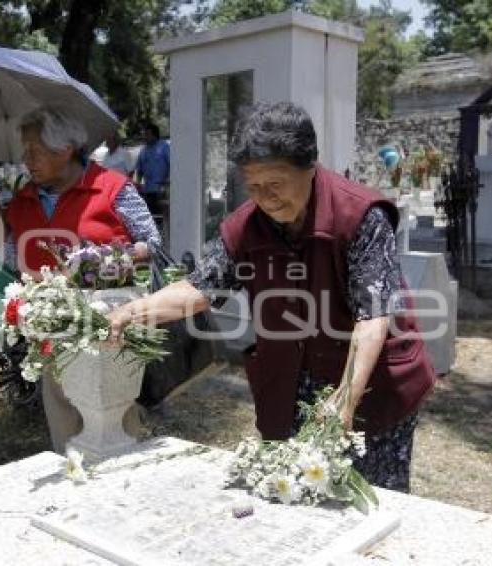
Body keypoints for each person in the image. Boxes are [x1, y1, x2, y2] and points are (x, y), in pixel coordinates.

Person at [108, 101, 435, 492]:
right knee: (295, 495)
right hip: (290, 384)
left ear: (310, 168)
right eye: (254, 186)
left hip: (371, 384)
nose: (265, 198)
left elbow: (373, 316)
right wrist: (133, 310)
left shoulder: (360, 216)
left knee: (368, 499)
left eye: (276, 184)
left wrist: (347, 398)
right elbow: (200, 286)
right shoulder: (246, 226)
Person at [0, 106, 161, 454]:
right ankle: (72, 474)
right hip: (53, 326)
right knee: (63, 412)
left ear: (65, 149)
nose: (26, 159)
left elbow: (152, 244)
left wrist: (98, 260)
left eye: (35, 150)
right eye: (24, 150)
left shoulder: (111, 188)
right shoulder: (24, 199)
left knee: (113, 415)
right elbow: (17, 260)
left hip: (111, 324)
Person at [134, 122, 170, 213]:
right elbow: (139, 170)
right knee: (151, 217)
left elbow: (172, 165)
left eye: (147, 134)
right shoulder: (143, 150)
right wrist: (137, 185)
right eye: (144, 134)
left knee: (162, 217)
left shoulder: (164, 147)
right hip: (147, 191)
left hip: (161, 190)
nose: (145, 137)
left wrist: (168, 181)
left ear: (154, 135)